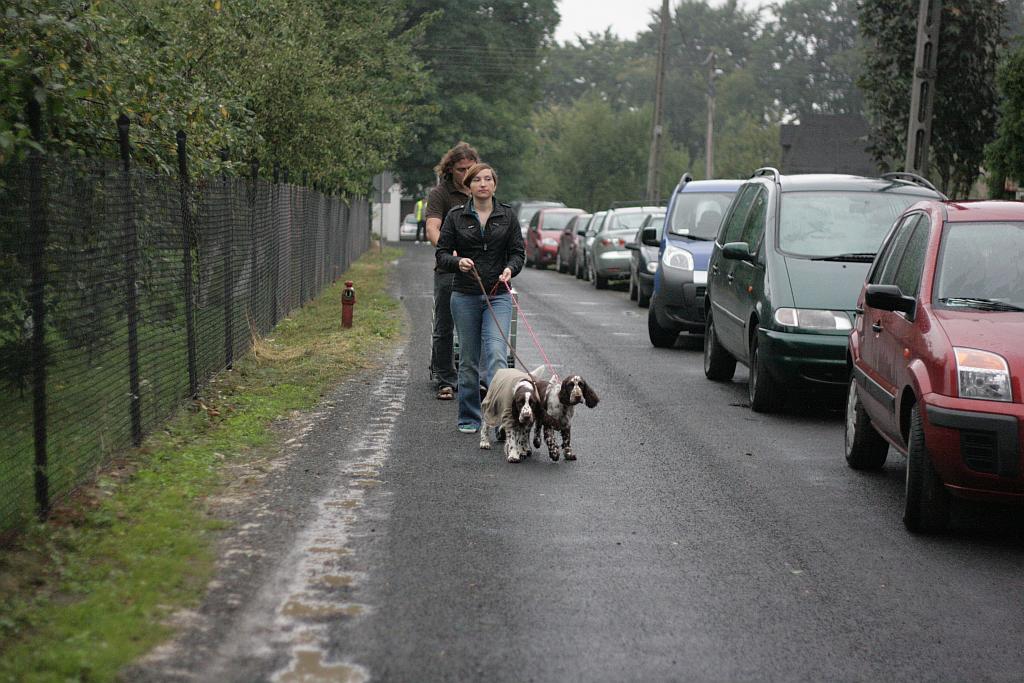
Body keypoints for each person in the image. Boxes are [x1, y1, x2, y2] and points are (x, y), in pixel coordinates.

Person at [436, 162, 525, 433]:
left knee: (497, 355)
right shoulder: (455, 216)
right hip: (464, 295)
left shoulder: (507, 216)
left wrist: (511, 268)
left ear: (494, 185)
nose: (483, 184)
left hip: (498, 296)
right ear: (469, 186)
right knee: (468, 361)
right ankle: (469, 417)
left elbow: (518, 253)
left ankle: (500, 421)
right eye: (477, 180)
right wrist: (458, 261)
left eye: (488, 179)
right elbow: (441, 254)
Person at [425, 142, 480, 401]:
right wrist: (450, 253)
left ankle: (475, 377)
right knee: (445, 324)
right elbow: (432, 228)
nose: (466, 174)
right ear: (450, 170)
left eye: (471, 168)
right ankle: (444, 377)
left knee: (476, 323)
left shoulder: (480, 191)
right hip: (449, 266)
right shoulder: (440, 194)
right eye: (461, 169)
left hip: (478, 268)